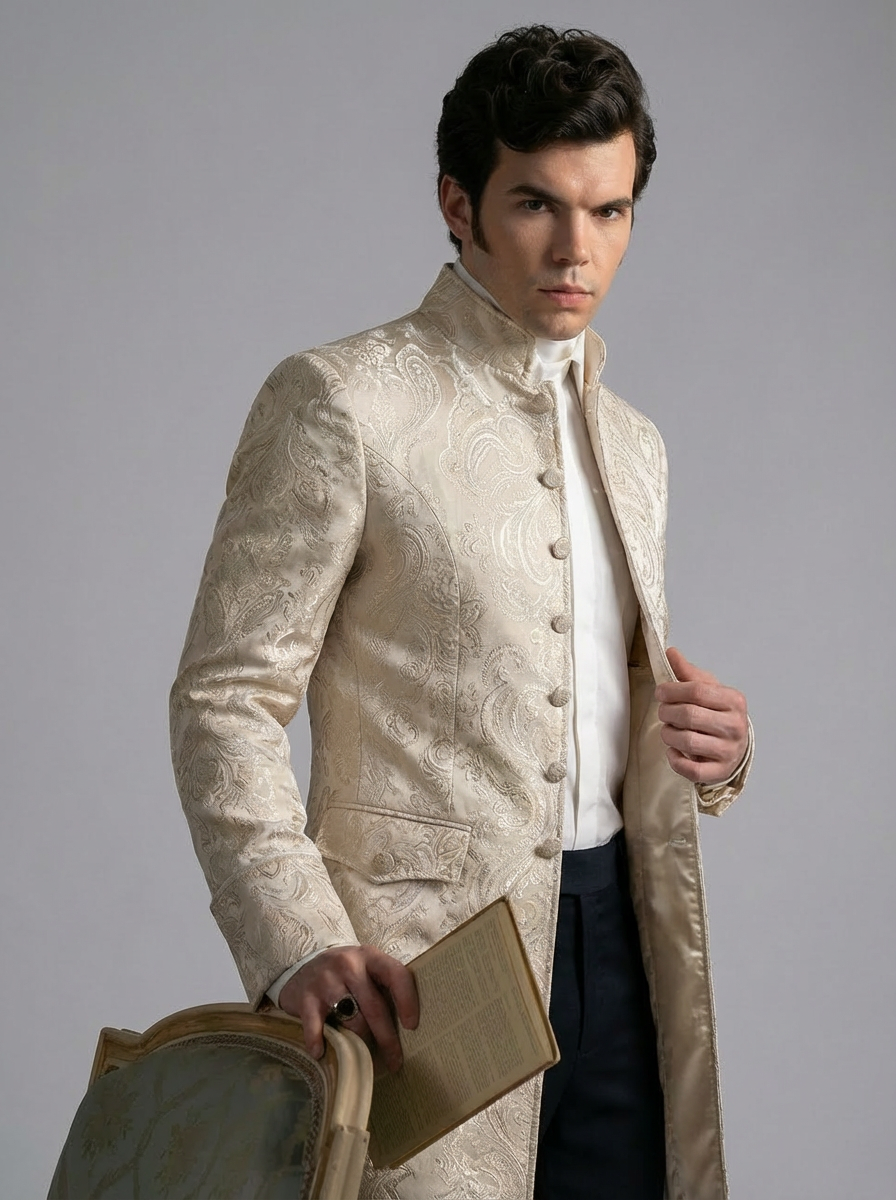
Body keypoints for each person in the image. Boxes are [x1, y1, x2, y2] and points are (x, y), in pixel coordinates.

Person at [170, 25, 752, 1200]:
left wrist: (715, 754)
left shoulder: (633, 444)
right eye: (536, 204)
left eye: (609, 210)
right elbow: (224, 698)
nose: (575, 249)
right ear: (458, 202)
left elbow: (587, 706)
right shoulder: (341, 402)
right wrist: (294, 936)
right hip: (419, 974)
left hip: (622, 946)